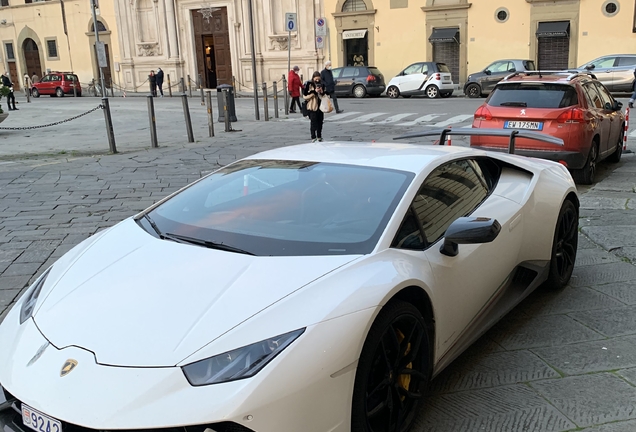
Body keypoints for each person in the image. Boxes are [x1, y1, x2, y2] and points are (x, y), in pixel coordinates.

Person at [303, 71, 325, 142]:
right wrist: (314, 92)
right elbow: (305, 96)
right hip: (312, 107)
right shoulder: (309, 85)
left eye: (319, 79)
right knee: (313, 122)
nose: (317, 80)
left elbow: (325, 95)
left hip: (321, 107)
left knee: (320, 122)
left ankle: (319, 136)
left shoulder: (322, 84)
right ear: (313, 78)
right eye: (316, 79)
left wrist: (321, 92)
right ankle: (313, 137)